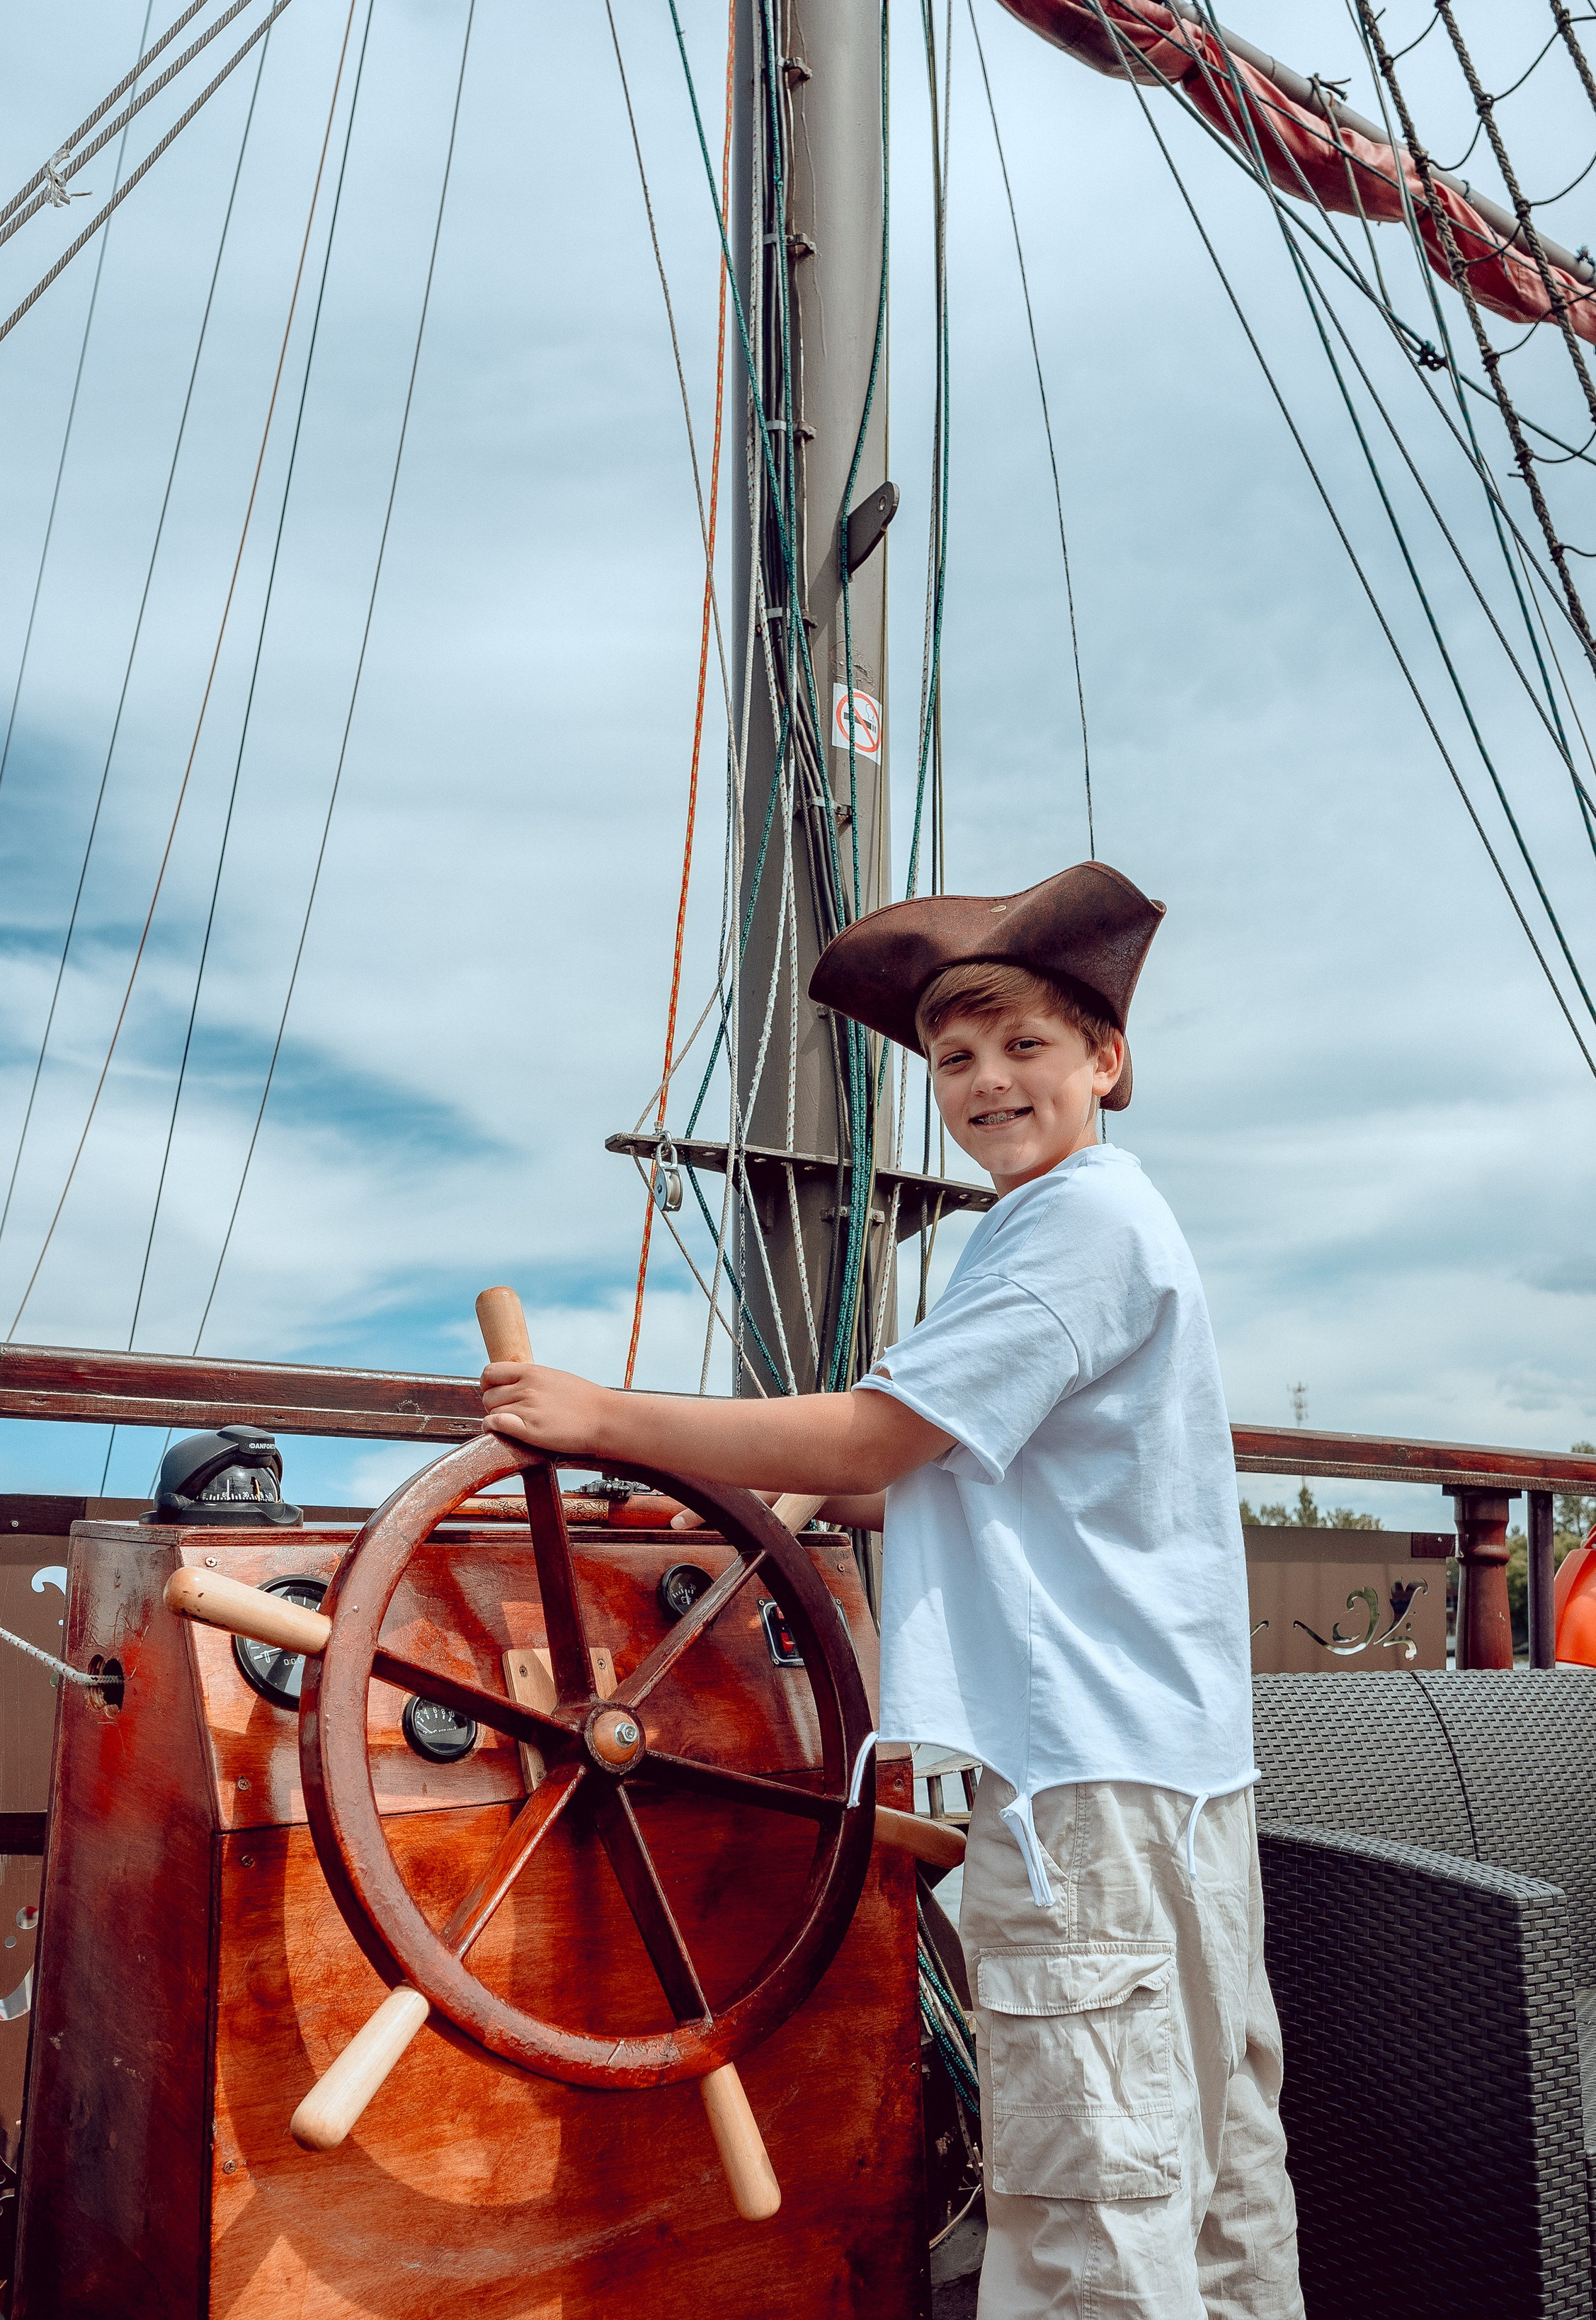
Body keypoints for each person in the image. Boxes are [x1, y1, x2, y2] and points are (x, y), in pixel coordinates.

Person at [480, 860, 1304, 2319]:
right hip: (1168, 1785)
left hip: (1083, 1800)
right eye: (953, 1058)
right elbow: (919, 1480)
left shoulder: (1073, 1227)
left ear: (1107, 1064)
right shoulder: (1100, 1219)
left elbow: (873, 1440)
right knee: (1210, 2189)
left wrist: (601, 1418)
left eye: (1023, 1045)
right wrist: (738, 1476)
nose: (986, 1081)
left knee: (1094, 2224)